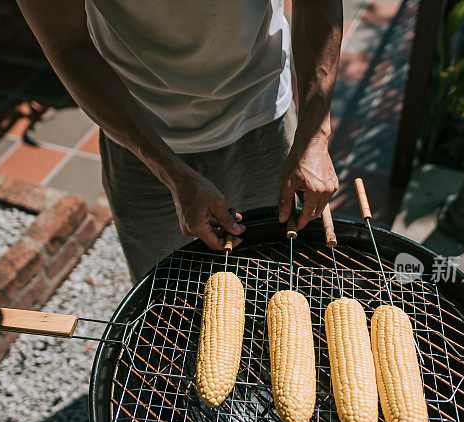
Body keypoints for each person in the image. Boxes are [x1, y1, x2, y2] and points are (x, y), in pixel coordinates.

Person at [17, 0, 342, 281]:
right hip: (143, 140)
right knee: (166, 306)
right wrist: (170, 172)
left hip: (264, 115)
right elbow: (65, 42)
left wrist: (316, 135)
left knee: (269, 276)